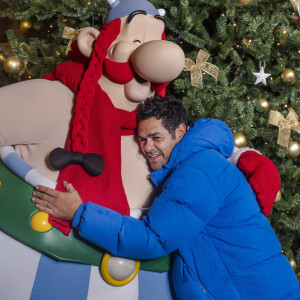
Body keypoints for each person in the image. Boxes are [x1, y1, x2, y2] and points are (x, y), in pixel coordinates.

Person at [32, 95, 300, 299]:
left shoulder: (197, 171)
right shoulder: (193, 164)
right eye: (142, 139)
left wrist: (79, 213)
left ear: (180, 133)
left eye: (156, 137)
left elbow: (152, 239)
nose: (147, 147)